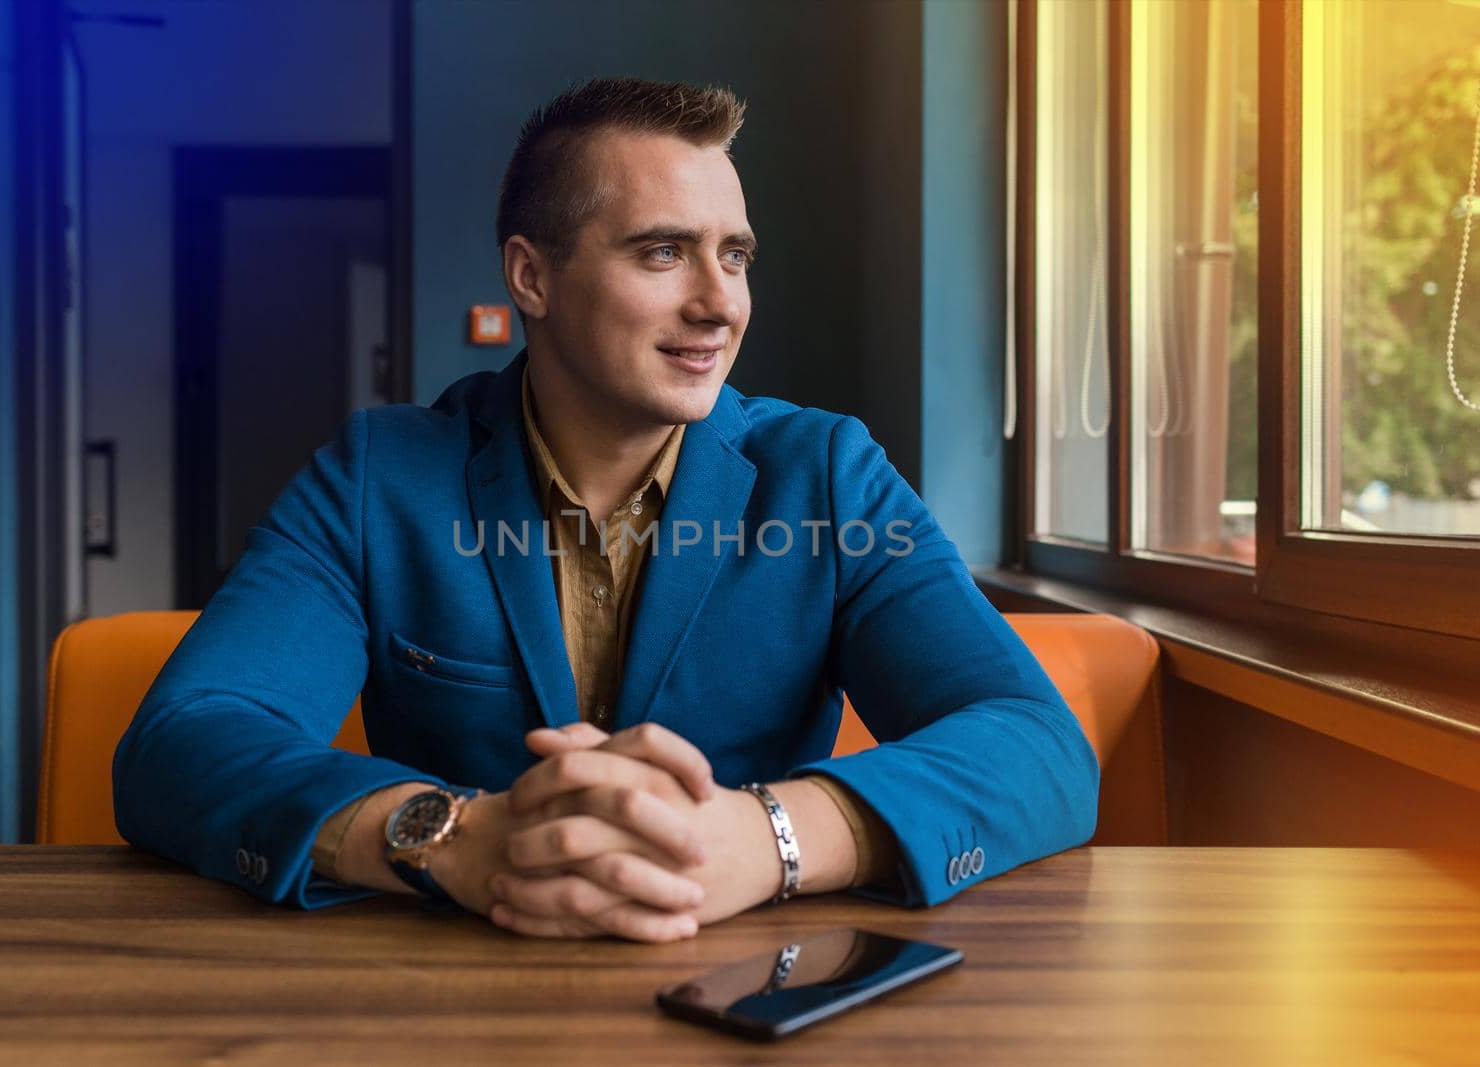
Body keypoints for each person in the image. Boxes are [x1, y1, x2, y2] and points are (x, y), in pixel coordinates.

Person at [113, 76, 1098, 944]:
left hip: (747, 986)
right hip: (450, 989)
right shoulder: (379, 476)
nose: (721, 304)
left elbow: (1036, 743)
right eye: (664, 252)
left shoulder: (827, 474)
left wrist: (766, 838)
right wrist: (446, 835)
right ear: (530, 275)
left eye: (736, 255)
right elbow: (181, 743)